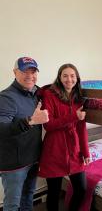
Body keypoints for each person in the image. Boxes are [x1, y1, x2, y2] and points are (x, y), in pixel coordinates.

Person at [38, 63, 90, 211]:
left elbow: (81, 128)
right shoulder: (50, 95)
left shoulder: (79, 98)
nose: (69, 79)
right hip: (54, 149)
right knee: (54, 193)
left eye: (72, 76)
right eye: (65, 76)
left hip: (74, 150)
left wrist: (86, 153)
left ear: (77, 78)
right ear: (59, 78)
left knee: (81, 189)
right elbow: (48, 125)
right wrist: (73, 116)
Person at [0, 57, 49, 211]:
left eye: (33, 71)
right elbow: (2, 129)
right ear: (15, 72)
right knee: (12, 205)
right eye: (24, 71)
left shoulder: (36, 93)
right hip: (14, 165)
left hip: (33, 158)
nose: (29, 75)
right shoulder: (6, 97)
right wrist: (30, 121)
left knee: (28, 196)